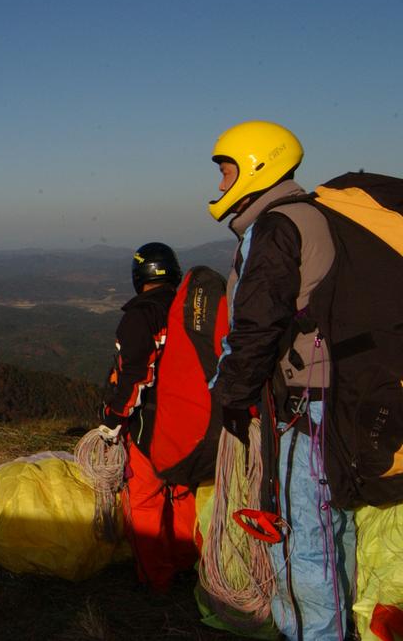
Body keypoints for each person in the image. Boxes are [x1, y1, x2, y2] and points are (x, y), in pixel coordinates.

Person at [207, 119, 355, 640]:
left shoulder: (274, 227)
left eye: (228, 172)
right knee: (330, 524)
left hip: (301, 402)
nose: (222, 185)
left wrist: (232, 395)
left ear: (256, 166)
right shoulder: (311, 214)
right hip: (328, 396)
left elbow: (257, 323)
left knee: (301, 532)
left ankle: (314, 634)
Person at [99, 242, 197, 592]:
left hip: (148, 427)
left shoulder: (140, 316)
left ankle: (157, 578)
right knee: (182, 492)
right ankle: (189, 562)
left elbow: (135, 375)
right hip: (192, 424)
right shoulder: (192, 309)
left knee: (144, 499)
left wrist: (113, 420)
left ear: (138, 277)